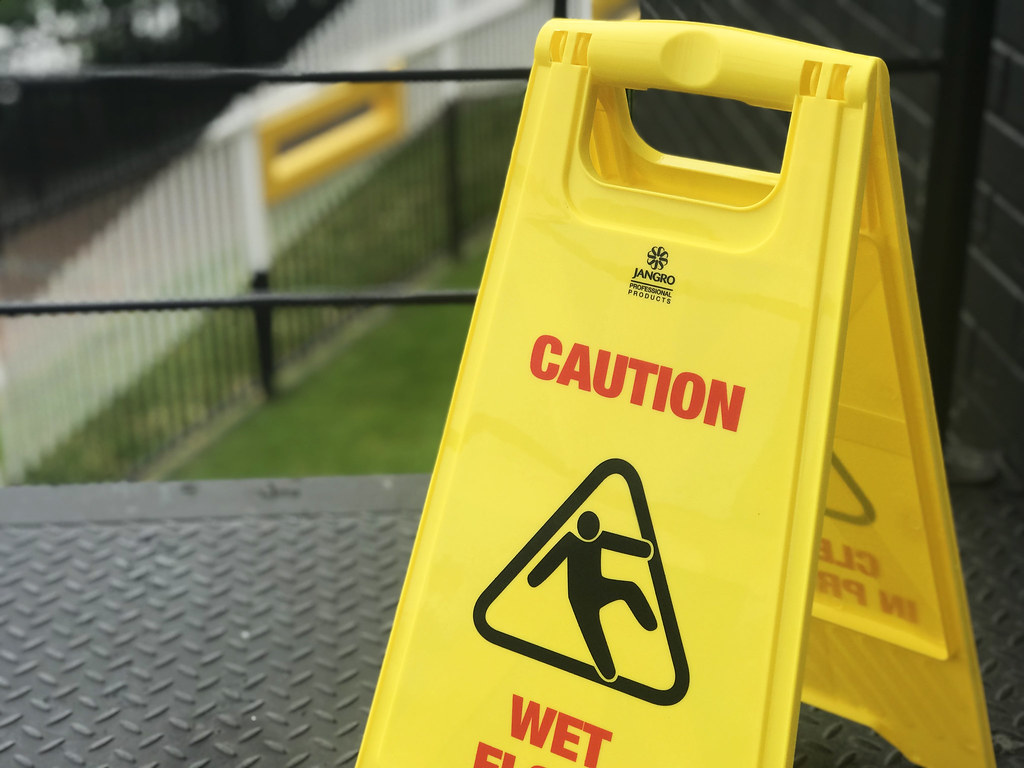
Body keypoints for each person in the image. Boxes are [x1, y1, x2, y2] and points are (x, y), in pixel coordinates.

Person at [527, 510, 657, 681]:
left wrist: (645, 549)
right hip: (579, 598)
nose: (591, 531)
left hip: (598, 586)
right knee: (593, 634)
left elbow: (631, 546)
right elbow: (541, 571)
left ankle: (651, 625)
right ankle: (607, 671)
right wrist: (534, 579)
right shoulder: (569, 541)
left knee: (629, 589)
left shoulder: (599, 539)